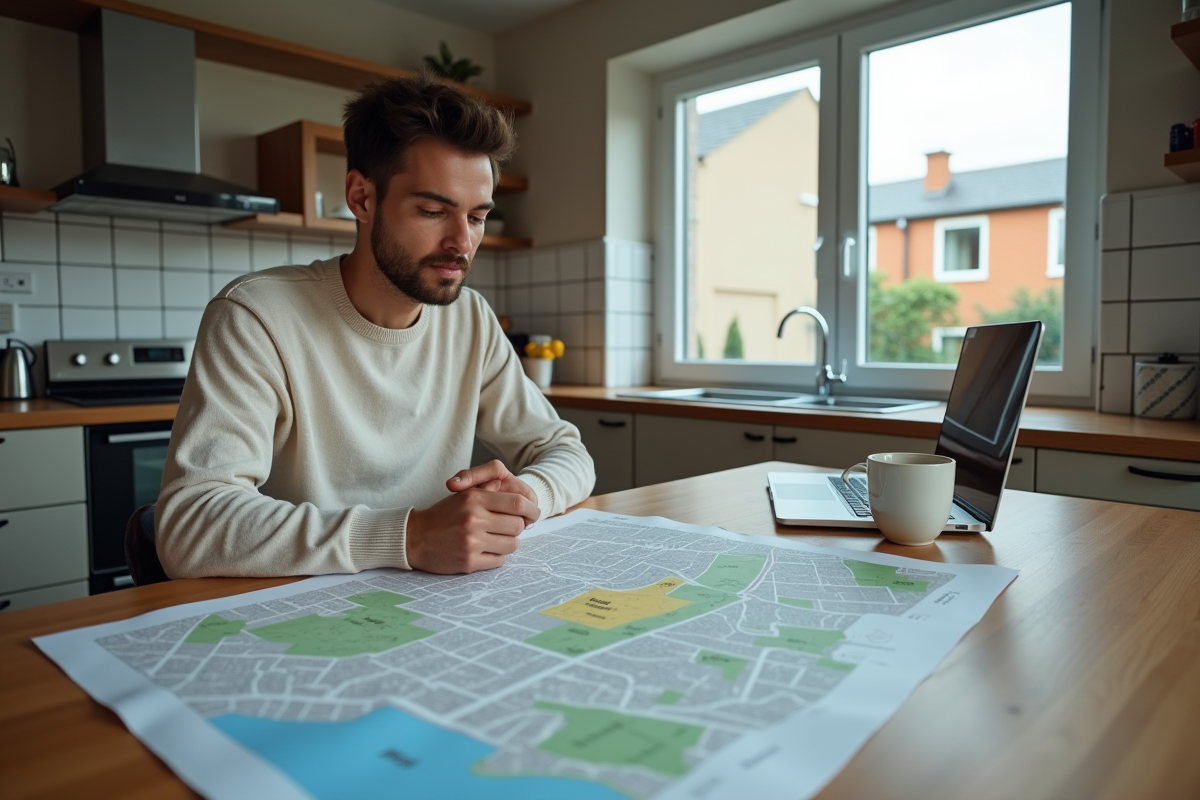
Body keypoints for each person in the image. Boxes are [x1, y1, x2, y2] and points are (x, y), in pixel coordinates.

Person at [156, 73, 595, 579]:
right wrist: (409, 536)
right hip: (295, 611)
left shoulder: (470, 319)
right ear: (362, 197)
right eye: (433, 210)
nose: (462, 242)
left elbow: (565, 451)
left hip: (434, 605)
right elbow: (190, 527)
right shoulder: (256, 316)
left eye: (476, 217)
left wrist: (527, 495)